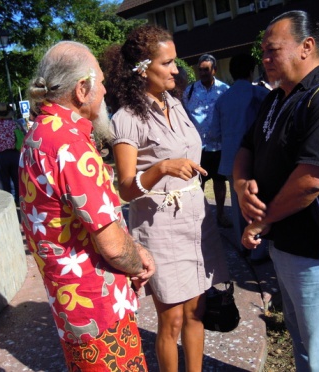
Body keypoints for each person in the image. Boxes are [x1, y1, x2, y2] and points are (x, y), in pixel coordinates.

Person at [233, 10, 319, 370]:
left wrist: (263, 220)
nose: (264, 59)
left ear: (307, 46)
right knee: (306, 345)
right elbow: (246, 149)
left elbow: (311, 180)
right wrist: (241, 183)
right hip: (289, 246)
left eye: (272, 50)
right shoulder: (277, 99)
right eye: (262, 51)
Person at [20, 40, 155, 371]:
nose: (106, 90)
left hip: (72, 308)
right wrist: (138, 262)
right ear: (82, 89)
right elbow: (110, 244)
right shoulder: (69, 144)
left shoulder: (39, 134)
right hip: (99, 308)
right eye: (100, 81)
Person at [104, 24, 229, 371]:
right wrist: (161, 168)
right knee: (171, 319)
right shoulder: (127, 118)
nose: (177, 70)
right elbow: (126, 188)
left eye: (176, 62)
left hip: (196, 222)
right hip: (160, 228)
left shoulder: (176, 102)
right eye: (168, 63)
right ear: (143, 68)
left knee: (196, 312)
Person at [210, 53, 270, 262]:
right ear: (251, 70)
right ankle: (260, 249)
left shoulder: (223, 99)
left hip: (230, 160)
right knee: (258, 204)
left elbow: (214, 132)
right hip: (255, 159)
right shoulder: (259, 93)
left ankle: (243, 244)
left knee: (238, 206)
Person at [183, 54, 231, 227]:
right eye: (200, 70)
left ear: (214, 70)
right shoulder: (189, 91)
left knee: (219, 182)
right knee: (197, 185)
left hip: (218, 147)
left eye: (206, 69)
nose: (202, 73)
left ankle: (220, 214)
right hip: (198, 148)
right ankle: (201, 218)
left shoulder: (224, 90)